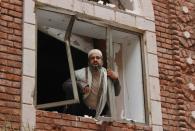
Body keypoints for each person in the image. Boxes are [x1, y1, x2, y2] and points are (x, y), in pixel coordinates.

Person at [63, 49, 121, 118]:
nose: (95, 60)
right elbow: (66, 85)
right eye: (92, 58)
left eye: (98, 58)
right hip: (80, 109)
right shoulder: (81, 72)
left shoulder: (107, 75)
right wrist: (80, 85)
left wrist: (116, 79)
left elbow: (117, 93)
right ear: (89, 61)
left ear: (102, 61)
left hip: (97, 112)